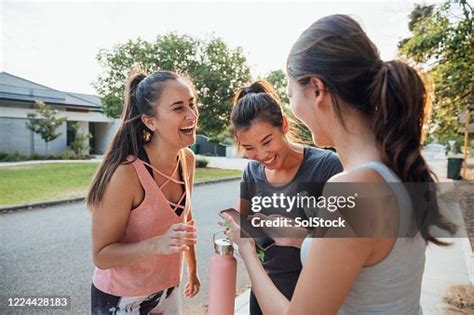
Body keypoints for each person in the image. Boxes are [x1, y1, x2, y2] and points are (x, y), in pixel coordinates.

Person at [223, 14, 456, 314]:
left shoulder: (354, 190)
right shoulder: (391, 166)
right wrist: (300, 238)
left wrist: (247, 252)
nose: (293, 108)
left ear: (317, 90)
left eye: (291, 93)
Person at [86, 70, 201, 314]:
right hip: (121, 298)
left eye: (192, 104)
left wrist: (192, 269)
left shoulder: (186, 160)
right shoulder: (125, 174)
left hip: (168, 288)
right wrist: (158, 244)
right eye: (179, 108)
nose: (192, 115)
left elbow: (185, 221)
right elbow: (102, 256)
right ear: (150, 121)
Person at [230, 80, 342, 315]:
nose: (261, 155)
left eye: (267, 141)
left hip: (312, 295)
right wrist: (239, 228)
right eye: (249, 147)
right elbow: (246, 227)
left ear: (285, 125)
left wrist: (296, 235)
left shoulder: (327, 167)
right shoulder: (251, 173)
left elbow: (342, 247)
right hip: (263, 291)